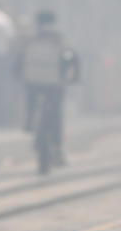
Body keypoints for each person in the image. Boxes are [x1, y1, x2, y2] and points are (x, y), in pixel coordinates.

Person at [15, 11, 79, 173]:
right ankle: (57, 146)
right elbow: (72, 58)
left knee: (31, 103)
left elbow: (19, 60)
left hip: (33, 83)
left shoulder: (30, 40)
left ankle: (29, 124)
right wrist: (73, 77)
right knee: (56, 115)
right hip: (54, 84)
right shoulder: (59, 39)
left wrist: (18, 75)